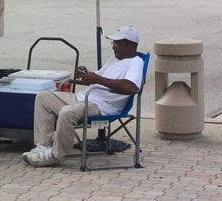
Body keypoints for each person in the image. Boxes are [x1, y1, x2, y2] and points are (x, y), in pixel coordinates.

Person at [23, 26, 144, 167]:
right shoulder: (114, 60)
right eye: (113, 43)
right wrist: (85, 75)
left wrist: (97, 79)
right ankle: (42, 145)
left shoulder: (135, 63)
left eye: (117, 44)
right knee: (43, 97)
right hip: (84, 98)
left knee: (67, 113)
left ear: (130, 45)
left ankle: (55, 155)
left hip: (100, 106)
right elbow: (98, 77)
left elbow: (130, 87)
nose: (114, 47)